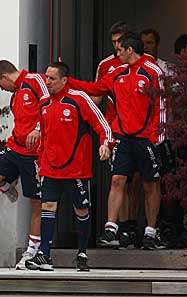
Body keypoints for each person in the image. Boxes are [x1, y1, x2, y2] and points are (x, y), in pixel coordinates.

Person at [67, 32, 166, 250]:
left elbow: (162, 104)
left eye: (120, 50)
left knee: (150, 184)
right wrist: (68, 81)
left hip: (146, 138)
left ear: (130, 50)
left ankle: (151, 231)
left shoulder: (152, 71)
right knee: (117, 180)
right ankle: (111, 228)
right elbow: (95, 89)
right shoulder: (117, 72)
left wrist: (157, 136)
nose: (116, 53)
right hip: (122, 137)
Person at [25, 62, 114, 271]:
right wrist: (39, 162)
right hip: (50, 168)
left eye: (52, 79)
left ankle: (82, 253)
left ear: (64, 80)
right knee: (47, 207)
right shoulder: (44, 103)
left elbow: (102, 125)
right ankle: (44, 255)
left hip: (76, 169)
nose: (47, 82)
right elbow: (43, 136)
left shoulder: (79, 99)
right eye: (46, 78)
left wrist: (105, 144)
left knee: (81, 209)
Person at [0, 60, 49, 269]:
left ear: (4, 77)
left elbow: (50, 104)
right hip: (15, 148)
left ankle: (32, 250)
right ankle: (8, 186)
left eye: (0, 84)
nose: (2, 88)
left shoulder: (34, 80)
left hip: (34, 154)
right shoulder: (16, 94)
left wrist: (38, 129)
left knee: (36, 203)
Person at [94, 21, 141, 249]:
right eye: (113, 42)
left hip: (141, 131)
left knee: (138, 182)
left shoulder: (144, 63)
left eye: (119, 42)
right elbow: (95, 98)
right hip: (116, 130)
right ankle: (121, 230)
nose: (116, 47)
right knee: (119, 179)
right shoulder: (106, 65)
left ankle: (134, 227)